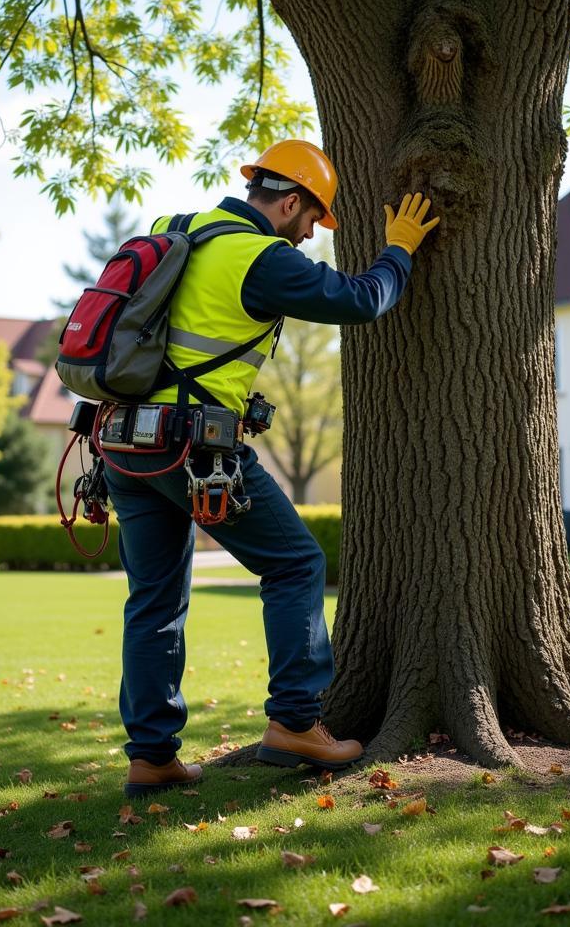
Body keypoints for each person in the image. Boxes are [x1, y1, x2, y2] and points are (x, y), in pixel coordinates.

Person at [102, 139, 439, 796]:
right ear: (289, 202)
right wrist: (399, 249)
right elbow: (363, 300)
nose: (311, 234)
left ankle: (151, 755)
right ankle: (294, 721)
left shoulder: (181, 230)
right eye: (312, 220)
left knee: (154, 602)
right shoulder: (262, 256)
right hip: (192, 448)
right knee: (295, 562)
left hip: (122, 442)